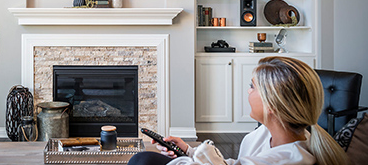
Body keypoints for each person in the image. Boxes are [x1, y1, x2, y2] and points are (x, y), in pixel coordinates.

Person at [128, 56, 350, 165]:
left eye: (253, 86)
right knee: (144, 159)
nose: (247, 91)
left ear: (271, 104)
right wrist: (188, 150)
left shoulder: (289, 159)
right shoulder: (265, 134)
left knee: (142, 161)